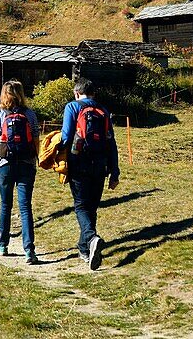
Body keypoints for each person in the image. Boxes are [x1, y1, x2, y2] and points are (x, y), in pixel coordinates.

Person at [61, 77, 119, 270]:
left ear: (77, 93)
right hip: (100, 164)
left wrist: (56, 150)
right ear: (93, 93)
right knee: (91, 207)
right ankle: (85, 249)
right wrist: (114, 171)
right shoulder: (103, 110)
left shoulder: (72, 107)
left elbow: (67, 136)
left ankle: (91, 238)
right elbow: (111, 142)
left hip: (79, 162)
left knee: (80, 206)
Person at [0, 80, 40, 264]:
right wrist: (36, 159)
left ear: (3, 95)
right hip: (26, 163)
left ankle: (3, 245)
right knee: (25, 207)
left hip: (4, 164)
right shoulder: (30, 114)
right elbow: (35, 138)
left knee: (5, 205)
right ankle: (29, 251)